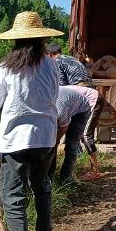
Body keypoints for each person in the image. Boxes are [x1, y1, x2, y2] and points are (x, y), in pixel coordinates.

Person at [0, 11, 63, 231]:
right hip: (46, 137)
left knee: (13, 193)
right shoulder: (52, 64)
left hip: (16, 139)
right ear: (42, 38)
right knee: (41, 186)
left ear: (15, 40)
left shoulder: (6, 68)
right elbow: (55, 96)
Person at [45, 44, 104, 181]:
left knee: (85, 135)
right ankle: (68, 173)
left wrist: (55, 141)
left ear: (49, 54)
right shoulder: (71, 59)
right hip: (83, 91)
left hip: (87, 96)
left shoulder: (56, 62)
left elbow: (60, 88)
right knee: (73, 139)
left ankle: (95, 170)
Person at [50, 86, 92, 183]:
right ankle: (49, 177)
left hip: (81, 110)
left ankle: (66, 177)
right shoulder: (41, 106)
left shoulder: (59, 113)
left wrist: (55, 143)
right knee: (50, 146)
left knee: (71, 145)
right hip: (68, 103)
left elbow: (63, 128)